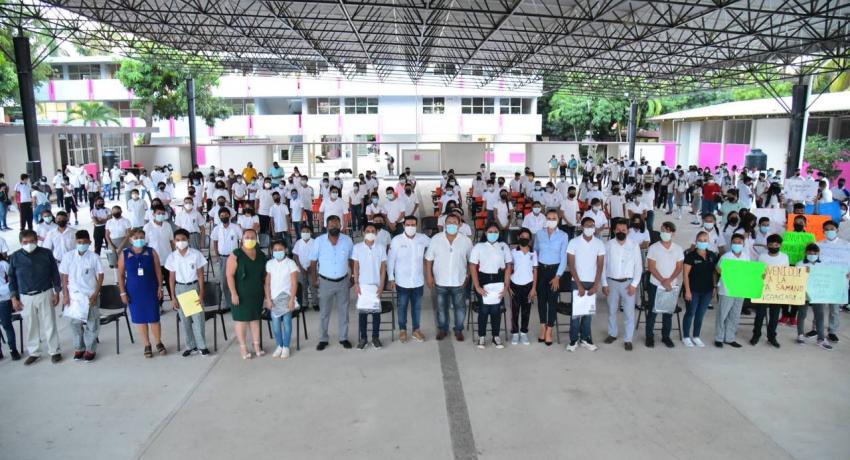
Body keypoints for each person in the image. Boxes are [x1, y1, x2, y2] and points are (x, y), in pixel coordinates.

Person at [8, 230, 62, 364]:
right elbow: (12, 278)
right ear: (21, 242)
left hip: (45, 292)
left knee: (50, 323)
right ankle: (34, 352)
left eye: (32, 241)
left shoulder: (46, 253)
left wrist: (57, 292)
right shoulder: (15, 257)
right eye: (25, 242)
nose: (29, 244)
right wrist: (14, 298)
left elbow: (55, 273)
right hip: (25, 296)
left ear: (37, 240)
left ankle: (54, 351)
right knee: (31, 325)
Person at [118, 228, 165, 358]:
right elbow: (121, 275)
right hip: (134, 291)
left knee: (154, 317)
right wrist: (123, 293)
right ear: (131, 239)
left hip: (150, 289)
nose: (139, 240)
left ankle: (159, 342)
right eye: (136, 237)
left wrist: (160, 287)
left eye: (141, 237)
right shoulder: (125, 254)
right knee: (140, 319)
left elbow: (158, 271)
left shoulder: (151, 252)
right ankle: (147, 344)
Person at [309, 215, 355, 350]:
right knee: (324, 312)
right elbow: (313, 262)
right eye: (331, 225)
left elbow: (352, 260)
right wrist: (314, 278)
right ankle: (323, 339)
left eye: (336, 224)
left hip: (343, 282)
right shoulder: (319, 241)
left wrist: (352, 276)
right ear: (326, 226)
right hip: (325, 282)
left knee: (344, 311)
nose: (334, 227)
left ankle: (343, 338)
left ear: (340, 225)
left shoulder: (347, 240)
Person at [425, 213, 473, 341]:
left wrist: (467, 276)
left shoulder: (466, 241)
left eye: (454, 222)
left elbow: (471, 261)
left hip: (459, 281)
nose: (451, 224)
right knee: (441, 308)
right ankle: (443, 329)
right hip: (441, 281)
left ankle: (458, 329)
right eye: (449, 222)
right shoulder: (436, 239)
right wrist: (429, 276)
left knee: (460, 308)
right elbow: (428, 259)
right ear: (445, 224)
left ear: (459, 224)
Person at [59, 230, 104, 362]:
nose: (82, 244)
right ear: (75, 242)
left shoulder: (94, 257)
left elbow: (100, 275)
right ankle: (79, 348)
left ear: (89, 242)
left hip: (90, 295)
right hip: (73, 296)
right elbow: (65, 277)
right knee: (75, 323)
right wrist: (65, 295)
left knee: (92, 323)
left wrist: (96, 293)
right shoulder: (68, 257)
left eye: (85, 242)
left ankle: (90, 349)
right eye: (79, 242)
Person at [165, 229, 209, 357]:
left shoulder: (196, 254)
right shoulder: (172, 257)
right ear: (174, 242)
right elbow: (171, 278)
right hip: (180, 289)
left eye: (183, 239)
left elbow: (201, 275)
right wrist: (173, 297)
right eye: (178, 240)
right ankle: (191, 345)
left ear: (188, 240)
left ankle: (202, 346)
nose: (181, 242)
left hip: (193, 287)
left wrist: (201, 294)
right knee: (185, 320)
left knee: (198, 319)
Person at [387, 216, 430, 343]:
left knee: (417, 307)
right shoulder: (396, 240)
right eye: (408, 224)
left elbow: (435, 244)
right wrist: (391, 278)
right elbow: (391, 260)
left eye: (413, 224)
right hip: (402, 281)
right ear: (404, 225)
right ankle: (403, 330)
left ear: (416, 226)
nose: (410, 227)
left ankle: (416, 330)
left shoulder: (423, 238)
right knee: (402, 306)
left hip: (418, 281)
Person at [469, 223, 512, 349]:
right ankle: (481, 336)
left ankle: (495, 336)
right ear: (485, 233)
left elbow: (508, 265)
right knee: (484, 309)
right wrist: (477, 286)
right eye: (490, 231)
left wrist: (506, 285)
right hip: (484, 279)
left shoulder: (503, 246)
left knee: (496, 309)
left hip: (499, 279)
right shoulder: (479, 247)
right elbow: (472, 266)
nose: (493, 234)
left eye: (495, 232)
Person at [226, 229, 267, 359]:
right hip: (240, 293)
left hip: (256, 293)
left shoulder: (261, 255)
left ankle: (256, 345)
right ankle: (243, 348)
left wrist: (267, 295)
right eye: (247, 237)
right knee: (241, 321)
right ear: (242, 239)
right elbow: (229, 275)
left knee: (255, 319)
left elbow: (264, 277)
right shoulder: (236, 254)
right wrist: (233, 293)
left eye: (252, 237)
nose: (249, 239)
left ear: (256, 239)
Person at [602, 218, 642, 351]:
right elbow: (603, 266)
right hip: (612, 282)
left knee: (629, 313)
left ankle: (628, 339)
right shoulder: (608, 245)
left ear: (628, 231)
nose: (621, 232)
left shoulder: (634, 245)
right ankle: (612, 334)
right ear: (614, 230)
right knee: (612, 310)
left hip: (628, 283)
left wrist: (634, 284)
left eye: (623, 230)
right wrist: (604, 284)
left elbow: (638, 267)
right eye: (618, 230)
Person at [565, 217, 604, 351]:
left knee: (588, 313)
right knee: (576, 313)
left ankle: (585, 338)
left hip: (592, 282)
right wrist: (579, 284)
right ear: (582, 227)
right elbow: (571, 265)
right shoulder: (573, 242)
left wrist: (596, 285)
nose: (590, 228)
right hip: (577, 282)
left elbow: (600, 266)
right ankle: (573, 340)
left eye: (592, 226)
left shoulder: (599, 243)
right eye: (587, 226)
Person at [645, 221, 684, 348]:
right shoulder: (653, 247)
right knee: (653, 311)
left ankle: (666, 336)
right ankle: (649, 336)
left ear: (672, 233)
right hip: (656, 283)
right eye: (662, 230)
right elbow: (651, 267)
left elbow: (679, 267)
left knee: (668, 312)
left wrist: (670, 280)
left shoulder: (678, 249)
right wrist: (663, 280)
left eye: (667, 231)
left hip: (671, 285)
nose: (664, 233)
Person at [534, 210, 569, 345]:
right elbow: (535, 251)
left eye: (554, 218)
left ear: (558, 220)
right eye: (548, 218)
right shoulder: (539, 233)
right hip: (541, 270)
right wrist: (535, 269)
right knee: (541, 300)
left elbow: (564, 257)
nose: (551, 220)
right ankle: (543, 326)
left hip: (555, 271)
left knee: (552, 301)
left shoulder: (563, 235)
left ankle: (550, 329)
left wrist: (558, 276)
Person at [351, 223, 387, 350]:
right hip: (363, 285)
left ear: (376, 233)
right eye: (368, 230)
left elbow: (383, 268)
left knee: (376, 313)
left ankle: (375, 338)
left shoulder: (381, 247)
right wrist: (356, 283)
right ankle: (363, 338)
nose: (370, 232)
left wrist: (382, 284)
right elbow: (355, 266)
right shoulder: (357, 247)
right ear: (363, 232)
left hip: (376, 285)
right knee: (363, 313)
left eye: (373, 230)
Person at [682, 231, 718, 347]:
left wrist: (714, 286)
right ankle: (686, 336)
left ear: (708, 241)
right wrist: (687, 290)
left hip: (707, 290)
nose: (703, 242)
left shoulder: (712, 255)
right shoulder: (690, 256)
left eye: (705, 240)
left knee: (700, 314)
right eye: (700, 240)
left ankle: (696, 336)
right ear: (696, 241)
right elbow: (685, 274)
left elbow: (714, 272)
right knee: (690, 312)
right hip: (693, 290)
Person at [264, 240, 300, 359]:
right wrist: (268, 299)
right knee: (276, 326)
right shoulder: (270, 263)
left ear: (285, 250)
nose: (278, 252)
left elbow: (294, 284)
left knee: (287, 324)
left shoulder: (291, 263)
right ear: (272, 251)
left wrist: (291, 300)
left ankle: (286, 346)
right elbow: (267, 284)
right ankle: (279, 345)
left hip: (287, 297)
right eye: (275, 250)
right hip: (274, 298)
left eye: (280, 249)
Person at [750, 233, 787, 348]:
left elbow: (787, 273)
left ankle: (772, 337)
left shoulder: (784, 257)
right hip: (762, 290)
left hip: (777, 291)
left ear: (780, 245)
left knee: (774, 316)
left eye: (776, 245)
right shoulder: (761, 256)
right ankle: (756, 335)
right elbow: (756, 271)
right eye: (771, 244)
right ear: (767, 245)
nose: (773, 246)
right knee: (759, 315)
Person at [811, 220, 844, 343]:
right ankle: (815, 328)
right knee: (819, 306)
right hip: (822, 280)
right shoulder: (818, 245)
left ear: (837, 230)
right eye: (827, 229)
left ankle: (832, 331)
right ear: (823, 231)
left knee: (834, 308)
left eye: (832, 229)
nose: (829, 231)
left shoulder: (846, 246)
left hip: (838, 280)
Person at [714, 233, 749, 348]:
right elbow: (718, 270)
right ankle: (719, 337)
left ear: (743, 244)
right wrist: (719, 271)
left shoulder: (746, 257)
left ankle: (729, 338)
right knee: (722, 314)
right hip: (727, 289)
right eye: (735, 242)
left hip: (740, 289)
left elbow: (750, 272)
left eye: (739, 243)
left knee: (735, 314)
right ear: (731, 243)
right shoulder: (726, 256)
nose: (737, 244)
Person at [796, 244, 833, 350]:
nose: (812, 255)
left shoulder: (824, 265)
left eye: (815, 253)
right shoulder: (800, 264)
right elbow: (796, 278)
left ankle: (821, 338)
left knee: (820, 316)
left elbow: (828, 278)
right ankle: (800, 335)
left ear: (818, 254)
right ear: (805, 253)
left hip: (818, 293)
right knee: (802, 314)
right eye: (809, 253)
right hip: (804, 293)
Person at [211, 208, 243, 312]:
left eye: (225, 215)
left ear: (229, 216)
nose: (224, 217)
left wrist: (241, 254)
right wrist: (216, 255)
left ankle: (237, 302)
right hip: (222, 258)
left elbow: (242, 240)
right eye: (221, 215)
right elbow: (215, 242)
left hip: (234, 257)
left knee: (237, 280)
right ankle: (227, 304)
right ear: (219, 217)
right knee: (224, 282)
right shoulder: (217, 229)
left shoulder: (235, 227)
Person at [509, 227, 537, 346]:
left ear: (530, 240)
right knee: (515, 311)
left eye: (527, 237)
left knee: (526, 311)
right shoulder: (513, 252)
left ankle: (524, 332)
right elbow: (509, 269)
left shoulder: (533, 253)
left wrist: (533, 288)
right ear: (518, 238)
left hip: (528, 286)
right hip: (515, 285)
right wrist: (508, 287)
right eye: (522, 237)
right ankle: (515, 333)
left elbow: (535, 270)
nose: (524, 239)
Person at [292, 226, 318, 311]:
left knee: (313, 286)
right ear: (301, 233)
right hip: (301, 269)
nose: (305, 233)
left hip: (312, 269)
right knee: (303, 287)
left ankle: (315, 303)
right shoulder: (298, 243)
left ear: (311, 233)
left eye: (307, 231)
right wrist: (300, 267)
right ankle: (304, 304)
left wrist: (312, 266)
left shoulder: (315, 242)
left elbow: (318, 255)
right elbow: (295, 255)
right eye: (303, 231)